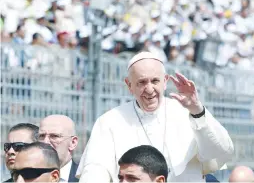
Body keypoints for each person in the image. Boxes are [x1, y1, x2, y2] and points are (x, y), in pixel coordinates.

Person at [77, 52, 234, 182]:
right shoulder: (110, 121)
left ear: (165, 81)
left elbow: (221, 151)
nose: (149, 89)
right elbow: (95, 169)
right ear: (129, 85)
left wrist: (197, 110)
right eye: (142, 82)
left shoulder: (188, 111)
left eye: (155, 81)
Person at [38, 115, 79, 182]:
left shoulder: (87, 178)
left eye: (54, 136)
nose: (45, 142)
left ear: (73, 143)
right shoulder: (25, 176)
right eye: (42, 136)